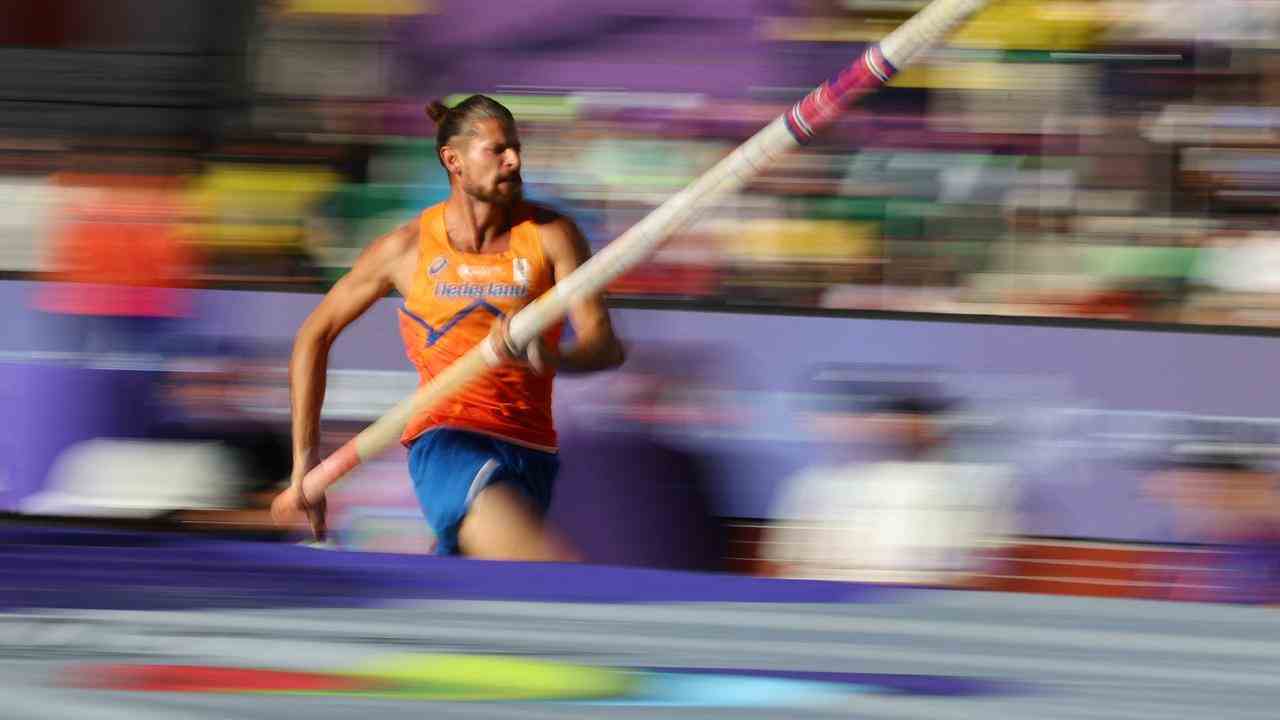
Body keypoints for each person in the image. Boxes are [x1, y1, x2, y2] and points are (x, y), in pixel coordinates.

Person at [274, 95, 625, 560]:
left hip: (532, 447)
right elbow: (313, 336)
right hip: (448, 439)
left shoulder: (551, 235)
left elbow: (605, 346)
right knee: (557, 576)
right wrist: (305, 460)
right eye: (497, 150)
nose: (514, 160)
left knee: (483, 597)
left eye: (516, 148)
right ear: (453, 160)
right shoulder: (406, 249)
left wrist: (551, 356)